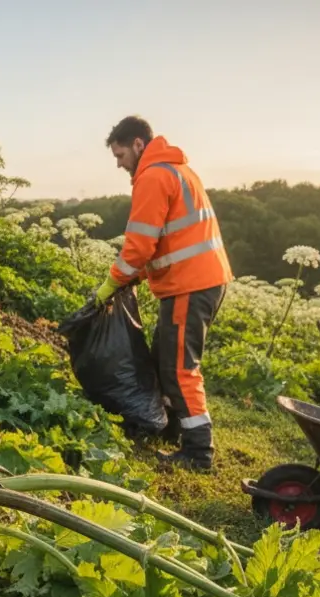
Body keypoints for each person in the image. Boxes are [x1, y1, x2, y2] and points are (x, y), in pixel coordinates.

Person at [90, 116, 232, 471]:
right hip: (201, 279)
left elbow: (139, 246)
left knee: (179, 367)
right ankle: (168, 429)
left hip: (191, 283)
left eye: (120, 154)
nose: (119, 163)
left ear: (138, 145)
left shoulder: (153, 176)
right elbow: (165, 240)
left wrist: (113, 282)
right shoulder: (179, 170)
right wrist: (134, 277)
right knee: (164, 356)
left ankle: (198, 452)